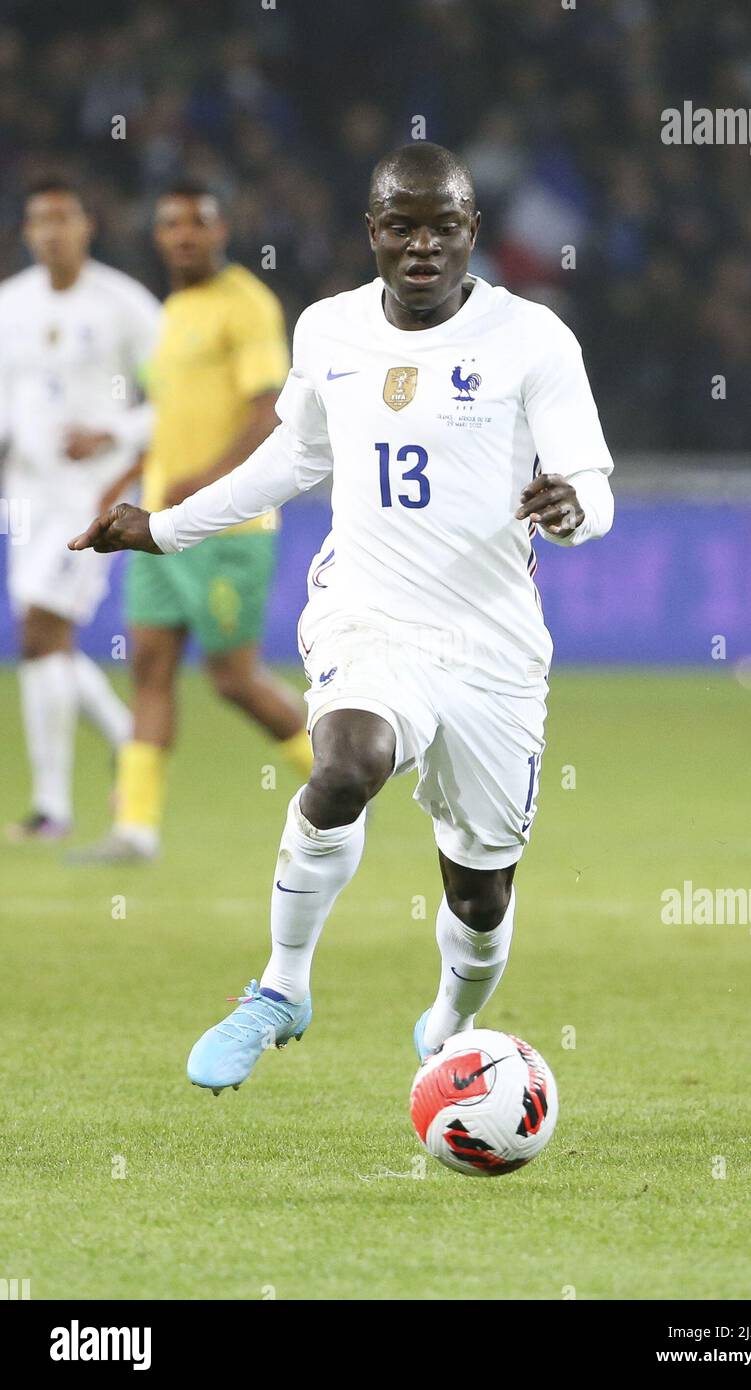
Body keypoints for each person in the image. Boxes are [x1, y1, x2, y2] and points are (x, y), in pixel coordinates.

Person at [69, 143, 615, 1083]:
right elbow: (294, 457)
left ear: (471, 233)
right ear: (372, 232)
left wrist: (570, 510)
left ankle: (451, 1013)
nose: (421, 246)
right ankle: (280, 987)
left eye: (443, 226)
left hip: (492, 645)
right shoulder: (328, 331)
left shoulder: (533, 340)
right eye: (400, 225)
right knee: (345, 765)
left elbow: (592, 485)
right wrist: (165, 528)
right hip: (368, 613)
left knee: (479, 896)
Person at [72, 183, 312, 863]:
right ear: (157, 236)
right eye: (170, 224)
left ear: (221, 231)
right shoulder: (172, 312)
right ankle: (136, 830)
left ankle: (337, 782)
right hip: (156, 527)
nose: (183, 236)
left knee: (233, 678)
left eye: (196, 224)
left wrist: (199, 487)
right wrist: (128, 487)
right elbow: (169, 424)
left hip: (227, 529)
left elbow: (268, 412)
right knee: (148, 669)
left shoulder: (247, 304)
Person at [1, 179, 160, 841]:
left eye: (63, 219)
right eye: (40, 220)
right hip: (27, 497)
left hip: (96, 496)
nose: (51, 232)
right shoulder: (10, 305)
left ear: (87, 226)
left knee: (41, 623)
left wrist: (114, 436)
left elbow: (174, 396)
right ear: (27, 231)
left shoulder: (125, 304)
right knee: (42, 635)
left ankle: (52, 809)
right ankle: (130, 739)